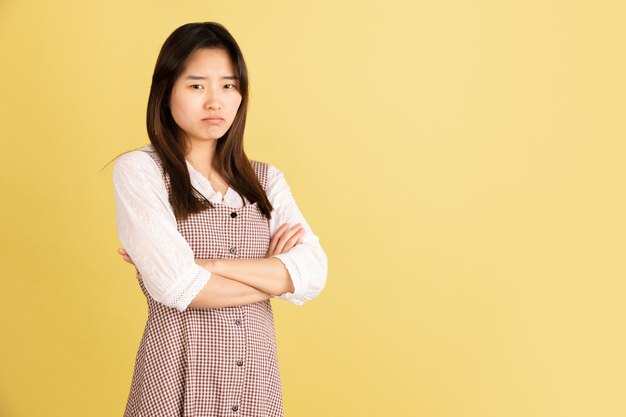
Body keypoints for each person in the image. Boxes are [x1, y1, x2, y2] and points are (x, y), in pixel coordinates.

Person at [111, 22, 327, 417]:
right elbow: (180, 287)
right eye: (197, 86)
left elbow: (313, 273)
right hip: (173, 380)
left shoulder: (266, 180)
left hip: (256, 387)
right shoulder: (140, 172)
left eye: (228, 86)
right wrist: (277, 278)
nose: (215, 102)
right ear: (166, 93)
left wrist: (208, 266)